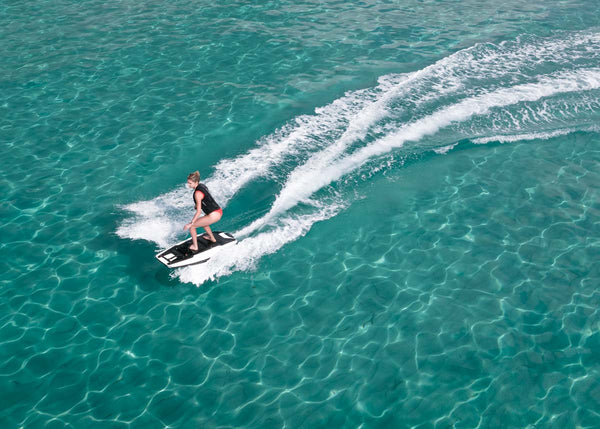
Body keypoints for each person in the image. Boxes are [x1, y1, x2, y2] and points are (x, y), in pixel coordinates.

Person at [183, 171, 223, 252]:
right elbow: (206, 198)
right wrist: (197, 204)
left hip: (214, 215)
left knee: (192, 227)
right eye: (188, 183)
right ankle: (212, 238)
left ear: (196, 182)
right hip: (217, 211)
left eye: (190, 183)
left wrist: (190, 223)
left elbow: (198, 212)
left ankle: (195, 246)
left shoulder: (197, 193)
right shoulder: (202, 186)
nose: (188, 185)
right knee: (203, 223)